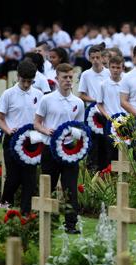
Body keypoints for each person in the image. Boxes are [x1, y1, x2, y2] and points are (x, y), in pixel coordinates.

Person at [34, 63, 84, 234]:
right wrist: (46, 130)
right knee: (48, 185)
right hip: (50, 149)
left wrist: (75, 136)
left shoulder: (78, 102)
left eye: (71, 77)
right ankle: (43, 221)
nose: (68, 80)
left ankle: (70, 225)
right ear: (57, 79)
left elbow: (80, 127)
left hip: (69, 151)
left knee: (70, 188)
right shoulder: (46, 99)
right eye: (65, 77)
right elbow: (37, 123)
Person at [0, 61, 43, 215]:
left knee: (29, 180)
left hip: (32, 142)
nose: (27, 84)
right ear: (18, 77)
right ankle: (5, 208)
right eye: (24, 81)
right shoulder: (8, 94)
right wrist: (8, 130)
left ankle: (25, 214)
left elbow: (41, 119)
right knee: (13, 178)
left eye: (30, 81)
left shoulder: (38, 94)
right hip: (12, 140)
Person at [78, 45, 110, 171]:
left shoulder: (108, 73)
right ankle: (93, 170)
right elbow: (81, 95)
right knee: (94, 145)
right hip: (92, 113)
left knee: (107, 143)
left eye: (98, 57)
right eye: (93, 58)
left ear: (102, 58)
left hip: (106, 112)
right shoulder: (86, 74)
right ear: (89, 59)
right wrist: (96, 100)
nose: (96, 60)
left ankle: (107, 170)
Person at [97, 55, 126, 162]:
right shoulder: (103, 84)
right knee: (111, 151)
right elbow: (99, 104)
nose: (115, 70)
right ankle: (112, 175)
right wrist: (107, 116)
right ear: (109, 67)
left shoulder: (126, 82)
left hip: (125, 121)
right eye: (113, 67)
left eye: (118, 68)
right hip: (110, 122)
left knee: (126, 150)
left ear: (122, 68)